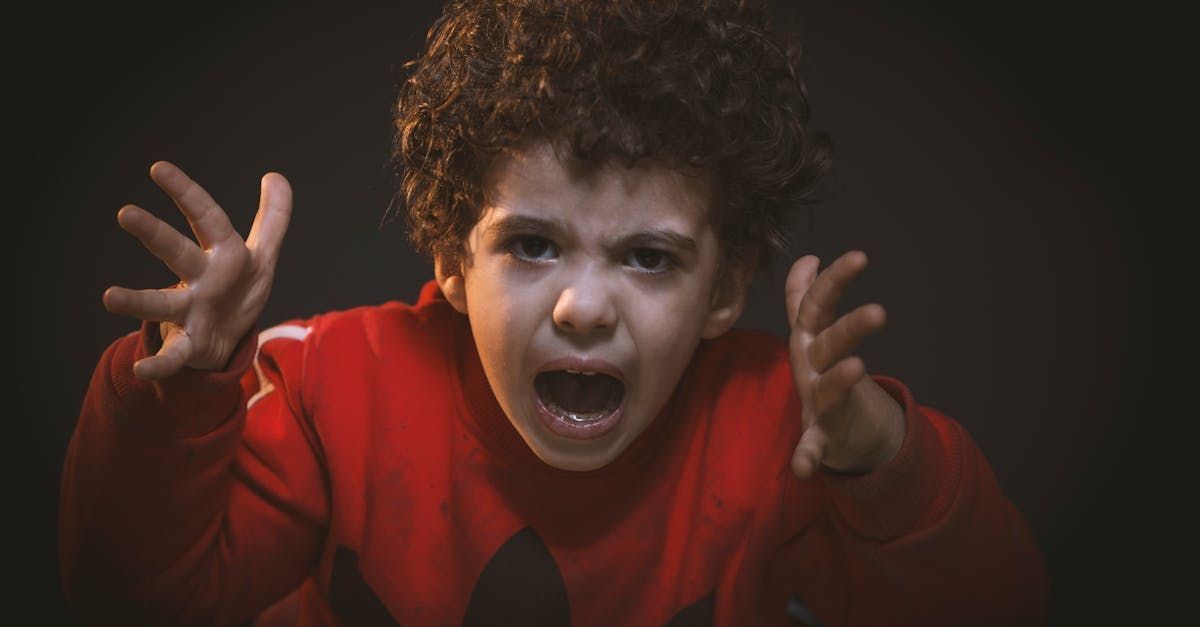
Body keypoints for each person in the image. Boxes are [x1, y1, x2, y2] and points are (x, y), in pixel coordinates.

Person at [59, 0, 1048, 625]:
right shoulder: (324, 383)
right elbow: (135, 598)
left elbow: (997, 605)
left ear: (722, 289)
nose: (581, 307)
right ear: (452, 255)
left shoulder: (779, 430)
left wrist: (881, 463)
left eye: (649, 258)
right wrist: (189, 383)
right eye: (532, 245)